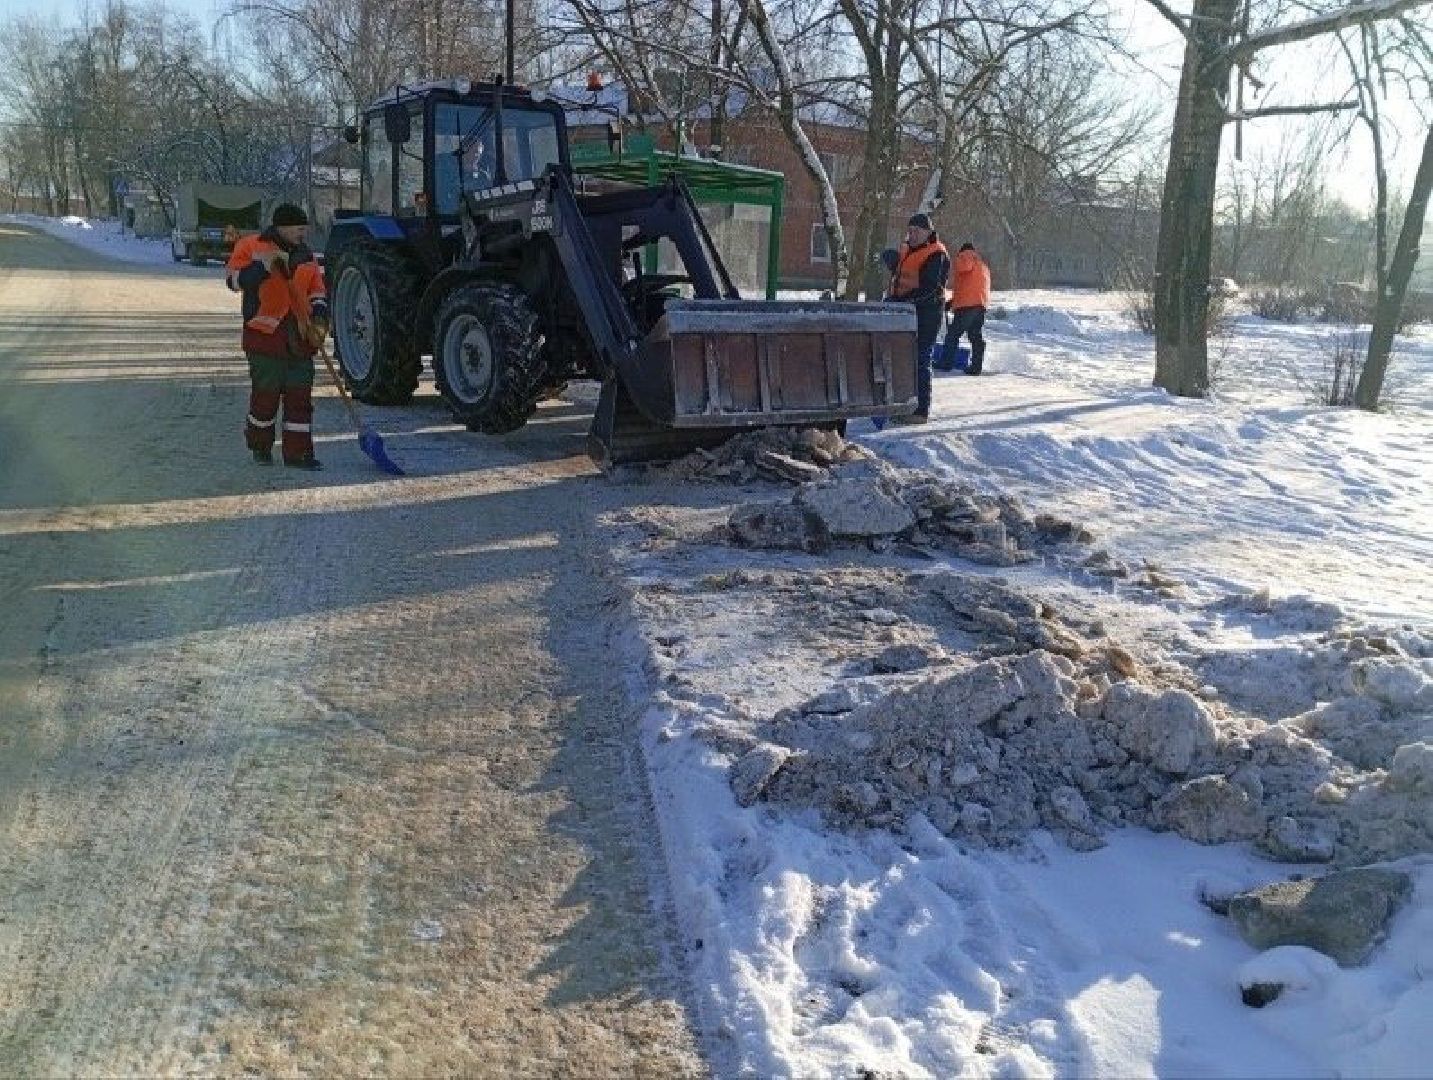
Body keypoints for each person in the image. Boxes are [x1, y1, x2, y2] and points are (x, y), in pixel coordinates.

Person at [226, 203, 329, 468]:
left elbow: (317, 291)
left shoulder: (307, 256)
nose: (303, 233)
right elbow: (233, 282)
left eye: (304, 228)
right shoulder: (251, 247)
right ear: (281, 227)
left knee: (300, 399)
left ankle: (298, 454)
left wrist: (319, 318)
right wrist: (262, 267)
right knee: (265, 399)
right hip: (264, 339)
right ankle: (260, 446)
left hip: (300, 338)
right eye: (298, 228)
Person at [885, 213, 949, 422]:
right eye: (910, 230)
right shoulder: (907, 250)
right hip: (904, 313)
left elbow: (930, 289)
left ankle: (920, 411)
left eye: (917, 231)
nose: (912, 235)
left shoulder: (936, 255)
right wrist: (893, 264)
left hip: (926, 315)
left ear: (928, 232)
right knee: (902, 359)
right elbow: (905, 276)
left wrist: (902, 302)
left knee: (921, 359)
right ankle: (903, 404)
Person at [938, 241, 991, 376]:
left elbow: (964, 272)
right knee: (975, 336)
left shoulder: (964, 257)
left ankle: (946, 363)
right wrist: (952, 302)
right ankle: (976, 367)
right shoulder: (983, 266)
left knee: (953, 334)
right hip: (981, 305)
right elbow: (969, 287)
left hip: (967, 306)